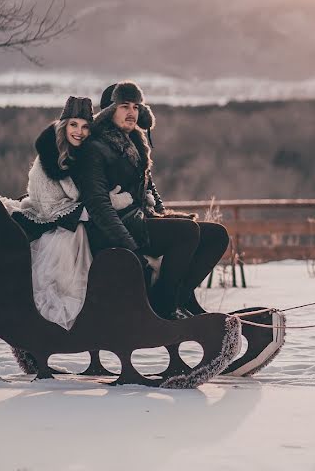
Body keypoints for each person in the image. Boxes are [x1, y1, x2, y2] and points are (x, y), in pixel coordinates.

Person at [75, 81, 229, 320]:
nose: (131, 113)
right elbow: (98, 205)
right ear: (108, 111)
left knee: (216, 235)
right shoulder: (95, 148)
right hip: (112, 231)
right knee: (186, 232)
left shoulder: (134, 142)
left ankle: (181, 297)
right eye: (124, 106)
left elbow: (148, 188)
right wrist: (129, 245)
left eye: (136, 107)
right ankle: (163, 305)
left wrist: (162, 212)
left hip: (139, 222)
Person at [1, 96, 133, 330]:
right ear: (64, 125)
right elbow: (51, 208)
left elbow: (86, 194)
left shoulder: (78, 155)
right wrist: (114, 202)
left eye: (84, 127)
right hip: (50, 226)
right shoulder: (48, 159)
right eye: (74, 124)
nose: (79, 132)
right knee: (64, 283)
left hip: (69, 221)